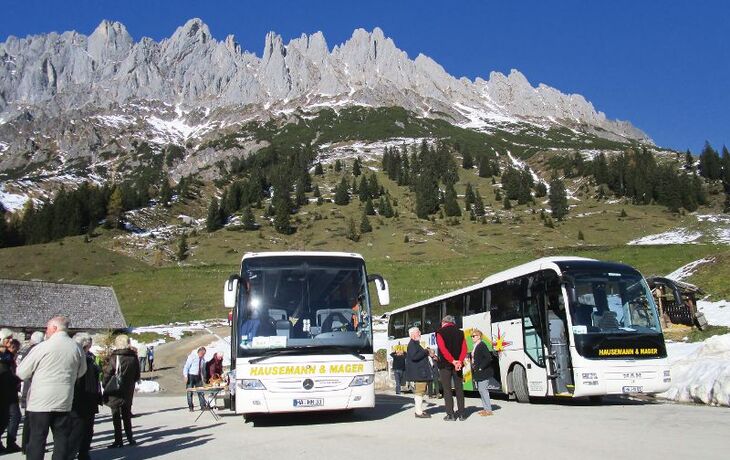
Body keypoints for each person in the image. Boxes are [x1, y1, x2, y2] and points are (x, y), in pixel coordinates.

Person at [16, 316, 87, 460]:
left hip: (40, 400)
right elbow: (82, 371)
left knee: (37, 438)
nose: (46, 331)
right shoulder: (77, 348)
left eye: (47, 328)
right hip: (64, 399)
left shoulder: (43, 347)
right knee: (61, 438)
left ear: (55, 328)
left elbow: (22, 372)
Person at [103, 334, 140, 449]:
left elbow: (108, 373)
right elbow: (137, 375)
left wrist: (105, 384)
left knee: (116, 416)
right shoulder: (133, 357)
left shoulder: (115, 357)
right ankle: (130, 438)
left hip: (116, 389)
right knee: (126, 415)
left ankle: (118, 440)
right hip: (128, 389)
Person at [69, 333, 101, 459]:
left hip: (84, 398)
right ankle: (76, 453)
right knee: (79, 430)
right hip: (82, 398)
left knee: (83, 429)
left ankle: (82, 452)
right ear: (86, 345)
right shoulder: (82, 359)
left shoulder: (89, 358)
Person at [435, 315, 467, 421]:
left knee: (447, 389)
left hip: (445, 364)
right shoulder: (460, 332)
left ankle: (450, 414)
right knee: (459, 389)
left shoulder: (440, 332)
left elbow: (443, 349)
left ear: (444, 322)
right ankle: (462, 414)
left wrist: (452, 361)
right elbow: (464, 349)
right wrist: (459, 362)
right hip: (458, 365)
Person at [17, 330, 44, 455]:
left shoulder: (25, 351)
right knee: (33, 421)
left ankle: (25, 446)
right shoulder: (35, 351)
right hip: (32, 387)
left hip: (28, 387)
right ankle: (29, 446)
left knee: (29, 419)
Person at [404, 327, 433, 418]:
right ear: (412, 335)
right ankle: (418, 412)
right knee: (419, 392)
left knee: (421, 391)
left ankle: (419, 410)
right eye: (418, 332)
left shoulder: (415, 344)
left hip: (420, 372)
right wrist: (426, 351)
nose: (420, 333)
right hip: (419, 373)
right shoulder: (412, 344)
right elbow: (414, 357)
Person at [1, 339, 22, 453]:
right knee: (14, 416)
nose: (16, 351)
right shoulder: (5, 357)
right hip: (6, 390)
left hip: (9, 390)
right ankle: (11, 442)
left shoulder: (9, 357)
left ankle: (10, 442)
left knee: (7, 417)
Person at [470, 329, 496, 416]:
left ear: (479, 336)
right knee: (481, 390)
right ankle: (485, 409)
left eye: (473, 336)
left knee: (483, 390)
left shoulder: (482, 345)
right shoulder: (476, 345)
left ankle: (488, 410)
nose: (472, 338)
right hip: (478, 372)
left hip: (484, 372)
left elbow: (488, 358)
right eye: (471, 336)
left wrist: (481, 367)